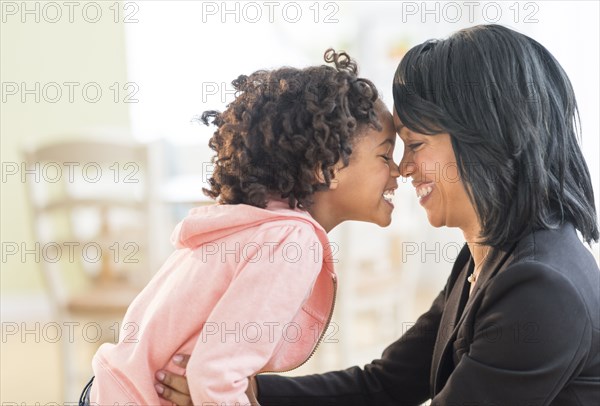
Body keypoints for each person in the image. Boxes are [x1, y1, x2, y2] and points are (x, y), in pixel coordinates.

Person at [155, 24, 600, 406]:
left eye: (416, 145)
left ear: (489, 140)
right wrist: (253, 393)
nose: (404, 168)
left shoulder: (542, 290)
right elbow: (384, 386)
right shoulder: (490, 255)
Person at [79, 49, 401, 406]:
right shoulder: (293, 242)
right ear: (326, 169)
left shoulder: (253, 223)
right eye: (385, 156)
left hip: (109, 389)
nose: (399, 170)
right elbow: (215, 375)